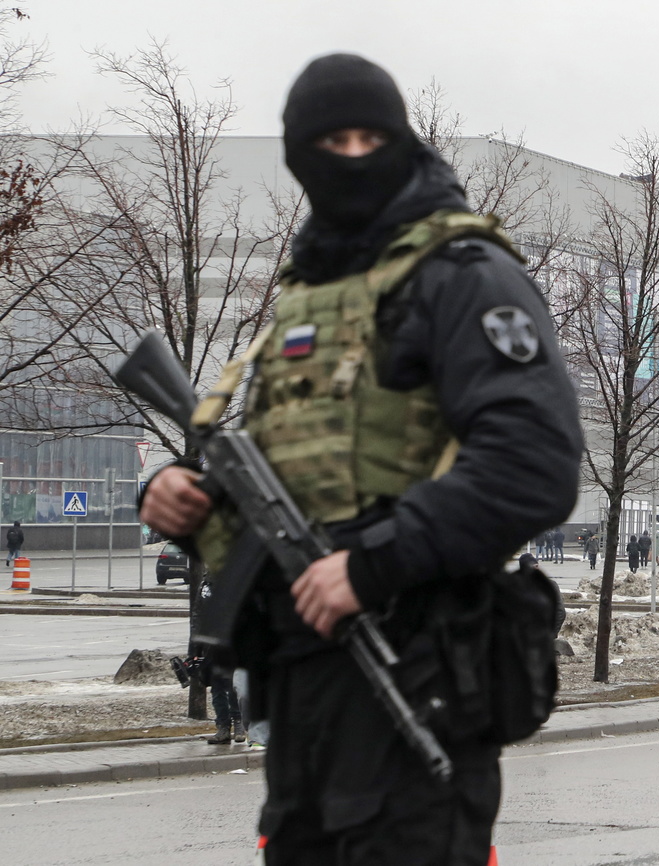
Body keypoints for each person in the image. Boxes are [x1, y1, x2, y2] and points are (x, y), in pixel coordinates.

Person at [139, 53, 582, 866]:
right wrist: (186, 501)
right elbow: (298, 486)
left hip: (415, 674)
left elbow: (536, 462)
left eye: (368, 137)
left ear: (402, 141)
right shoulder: (305, 295)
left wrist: (371, 564)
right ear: (298, 157)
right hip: (302, 696)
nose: (349, 157)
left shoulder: (464, 276)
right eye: (328, 141)